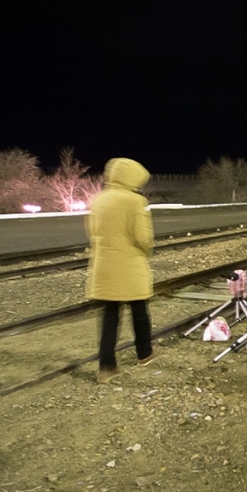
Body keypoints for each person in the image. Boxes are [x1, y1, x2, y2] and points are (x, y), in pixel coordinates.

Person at [86, 158, 159, 384]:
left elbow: (91, 230)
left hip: (104, 266)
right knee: (139, 309)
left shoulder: (99, 200)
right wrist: (146, 251)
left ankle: (106, 366)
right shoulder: (135, 201)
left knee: (110, 316)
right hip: (129, 265)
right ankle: (144, 353)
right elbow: (143, 238)